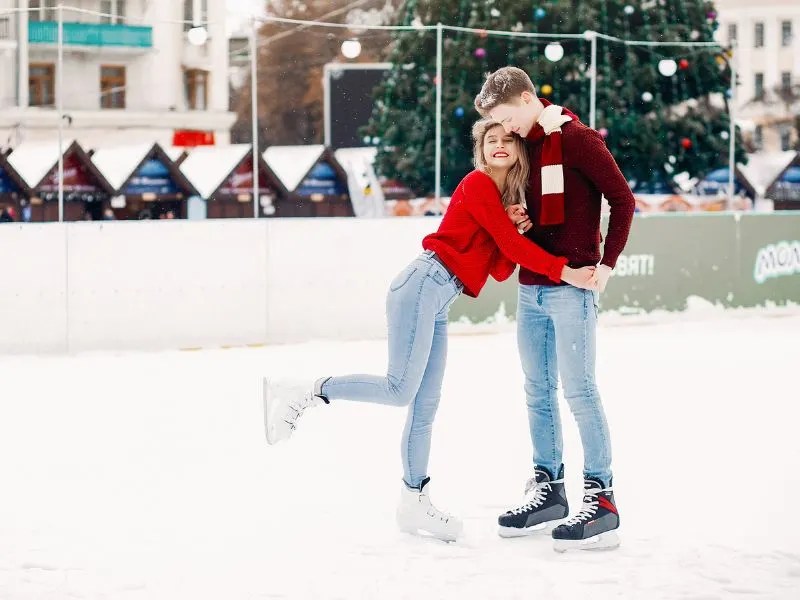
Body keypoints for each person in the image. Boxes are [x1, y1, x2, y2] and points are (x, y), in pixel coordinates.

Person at [263, 118, 597, 543]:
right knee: (398, 389)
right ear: (481, 151)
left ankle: (413, 499)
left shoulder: (502, 201)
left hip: (440, 297)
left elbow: (499, 269)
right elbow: (513, 249)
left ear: (518, 151)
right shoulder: (478, 185)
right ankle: (306, 390)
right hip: (423, 284)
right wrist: (563, 271)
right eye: (490, 140)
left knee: (426, 403)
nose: (498, 145)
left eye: (507, 140)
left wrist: (511, 226)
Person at [475, 66, 635, 552]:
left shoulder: (577, 139)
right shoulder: (529, 143)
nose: (506, 129)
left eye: (507, 116)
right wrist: (519, 215)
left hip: (573, 288)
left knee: (580, 391)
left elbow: (623, 200)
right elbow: (535, 204)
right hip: (532, 288)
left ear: (527, 99)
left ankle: (602, 499)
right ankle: (550, 489)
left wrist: (607, 264)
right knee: (537, 391)